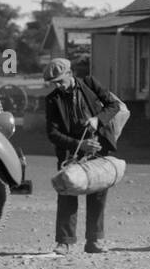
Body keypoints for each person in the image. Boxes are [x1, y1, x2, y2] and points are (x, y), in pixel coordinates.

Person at [43, 57, 126, 255]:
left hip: (98, 148)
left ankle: (95, 241)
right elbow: (53, 134)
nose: (58, 87)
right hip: (70, 153)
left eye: (60, 81)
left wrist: (98, 120)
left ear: (70, 74)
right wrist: (81, 145)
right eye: (54, 84)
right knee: (67, 195)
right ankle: (64, 242)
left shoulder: (90, 84)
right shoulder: (52, 100)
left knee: (98, 195)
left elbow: (113, 105)